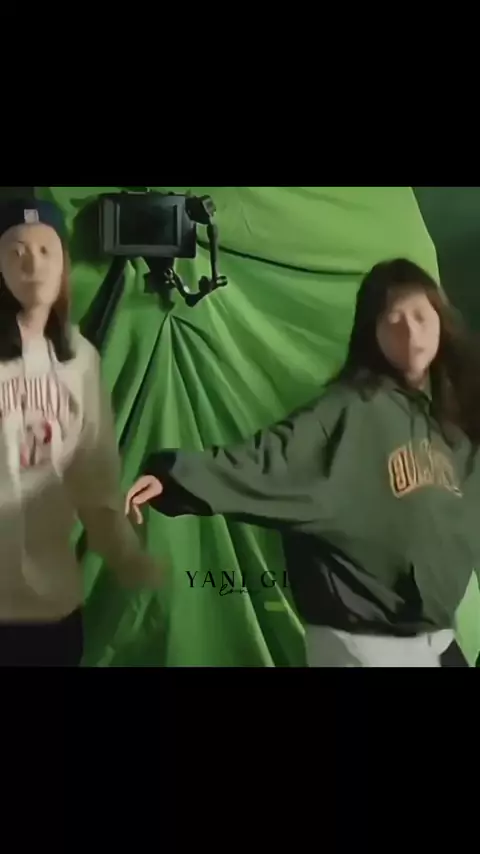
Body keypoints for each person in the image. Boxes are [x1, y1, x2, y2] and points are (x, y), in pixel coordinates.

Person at [125, 258, 480, 667]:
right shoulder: (349, 410)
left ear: (441, 321)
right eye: (393, 319)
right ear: (372, 333)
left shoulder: (453, 423)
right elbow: (271, 457)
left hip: (436, 640)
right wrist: (175, 476)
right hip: (364, 644)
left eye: (420, 316)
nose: (410, 332)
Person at [0, 198, 162, 667]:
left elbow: (95, 472)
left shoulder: (80, 358)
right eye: (16, 251)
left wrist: (125, 552)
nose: (33, 265)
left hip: (51, 601)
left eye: (46, 251)